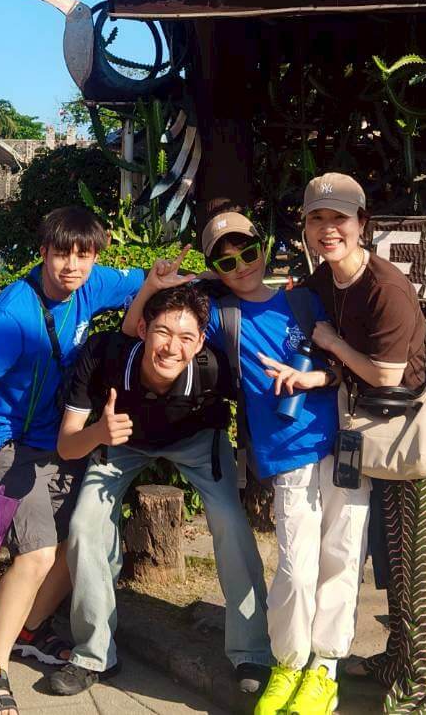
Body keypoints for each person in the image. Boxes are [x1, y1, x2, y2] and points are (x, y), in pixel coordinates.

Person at [136, 210, 369, 715]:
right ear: (214, 267)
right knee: (296, 568)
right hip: (285, 454)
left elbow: (346, 362)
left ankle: (324, 670)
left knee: (343, 557)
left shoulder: (305, 299)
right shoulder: (221, 316)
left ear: (263, 248)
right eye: (226, 260)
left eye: (247, 251)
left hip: (344, 444)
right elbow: (146, 327)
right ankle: (289, 663)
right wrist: (168, 282)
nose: (241, 265)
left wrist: (318, 378)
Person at [0, 206, 144, 715]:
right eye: (62, 254)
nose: (73, 265)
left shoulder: (91, 283)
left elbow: (144, 281)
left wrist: (207, 281)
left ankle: (29, 629)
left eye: (84, 255)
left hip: (59, 440)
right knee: (37, 553)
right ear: (44, 251)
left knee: (81, 540)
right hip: (6, 442)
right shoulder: (14, 314)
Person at [52, 280, 271, 698]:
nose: (172, 348)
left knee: (231, 524)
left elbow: (257, 406)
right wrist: (99, 432)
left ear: (200, 342)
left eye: (186, 337)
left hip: (198, 442)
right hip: (120, 438)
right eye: (163, 333)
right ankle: (94, 653)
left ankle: (253, 651)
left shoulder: (213, 367)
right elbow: (67, 444)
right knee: (85, 526)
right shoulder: (105, 356)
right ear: (142, 329)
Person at [302, 173, 426, 715]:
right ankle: (397, 661)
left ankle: (423, 698)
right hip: (376, 434)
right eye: (317, 218)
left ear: (362, 224)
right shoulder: (325, 279)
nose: (328, 229)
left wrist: (331, 343)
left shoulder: (385, 288)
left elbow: (386, 375)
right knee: (393, 565)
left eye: (339, 218)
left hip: (419, 436)